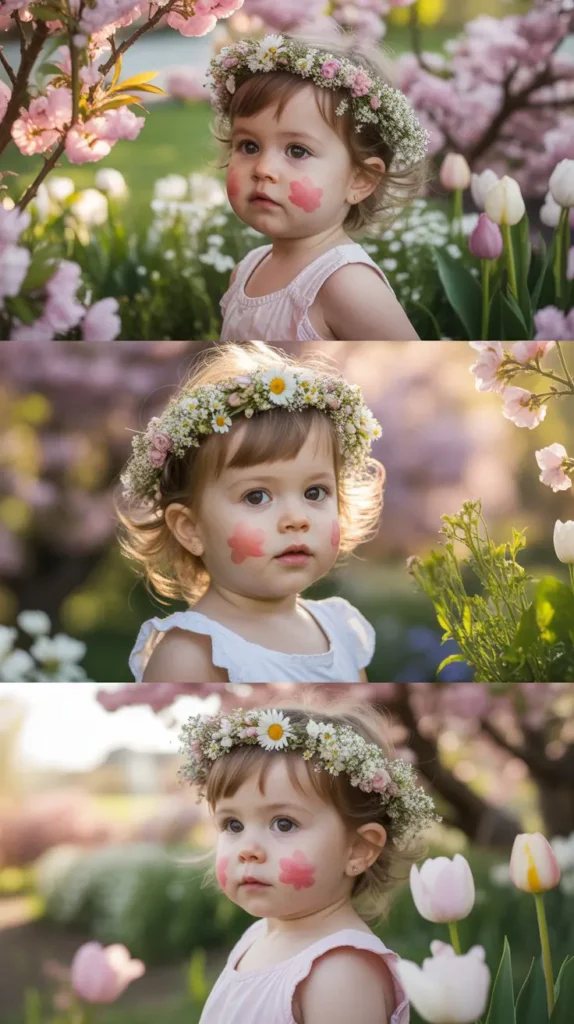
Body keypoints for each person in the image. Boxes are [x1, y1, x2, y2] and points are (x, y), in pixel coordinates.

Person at [119, 341, 384, 683]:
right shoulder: (192, 654)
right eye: (257, 496)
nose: (296, 518)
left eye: (314, 492)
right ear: (190, 529)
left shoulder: (341, 630)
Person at [179, 700, 439, 1024]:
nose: (248, 849)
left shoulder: (340, 972)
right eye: (233, 825)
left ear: (359, 849)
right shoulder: (257, 937)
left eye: (284, 824)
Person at [207, 29, 428, 341]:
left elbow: (406, 374)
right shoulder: (247, 269)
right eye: (249, 146)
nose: (263, 169)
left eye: (297, 150)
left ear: (360, 180)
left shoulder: (346, 284)